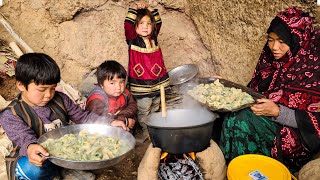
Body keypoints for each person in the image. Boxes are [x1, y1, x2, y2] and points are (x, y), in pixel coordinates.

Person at [219, 7, 320, 173]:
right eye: (271, 39)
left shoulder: (312, 68)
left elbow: (315, 121)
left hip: (294, 135)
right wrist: (226, 86)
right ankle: (236, 171)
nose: (274, 47)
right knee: (231, 116)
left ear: (296, 40)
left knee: (241, 119)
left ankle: (251, 172)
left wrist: (278, 111)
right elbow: (253, 93)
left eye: (281, 41)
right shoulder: (270, 60)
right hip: (265, 117)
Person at [0, 53, 128, 180]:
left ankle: (65, 171)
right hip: (34, 158)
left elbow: (83, 118)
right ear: (21, 85)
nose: (48, 95)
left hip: (62, 155)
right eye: (42, 89)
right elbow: (25, 139)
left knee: (87, 147)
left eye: (53, 88)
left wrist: (109, 123)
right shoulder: (11, 115)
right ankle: (54, 174)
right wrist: (31, 147)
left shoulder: (61, 99)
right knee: (31, 169)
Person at [124, 0, 170, 138]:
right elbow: (127, 25)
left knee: (156, 105)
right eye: (141, 23)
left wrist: (149, 8)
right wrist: (134, 8)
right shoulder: (132, 39)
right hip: (141, 84)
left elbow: (159, 22)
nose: (146, 27)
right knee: (144, 108)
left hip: (158, 82)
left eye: (149, 24)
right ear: (135, 26)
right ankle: (145, 131)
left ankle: (154, 127)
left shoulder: (154, 38)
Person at [86, 60, 137, 131]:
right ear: (101, 85)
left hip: (122, 121)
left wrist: (122, 117)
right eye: (112, 83)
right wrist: (124, 120)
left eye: (122, 82)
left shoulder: (125, 92)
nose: (119, 87)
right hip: (104, 130)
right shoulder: (97, 100)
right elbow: (93, 120)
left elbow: (133, 105)